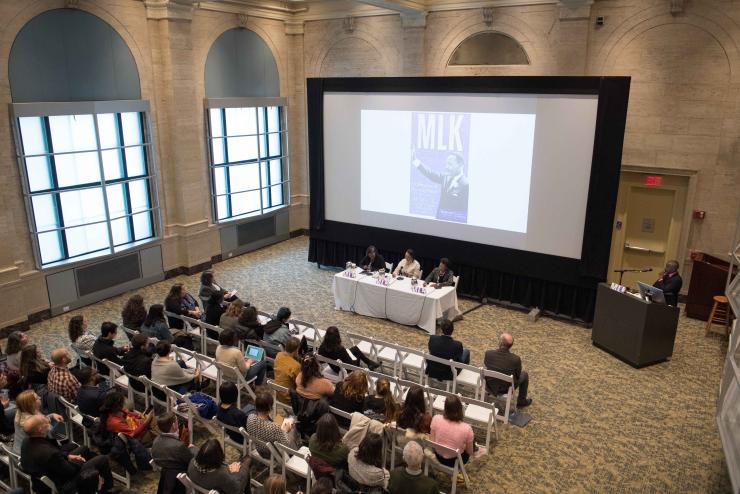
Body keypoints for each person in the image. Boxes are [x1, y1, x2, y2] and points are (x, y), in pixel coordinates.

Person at [20, 415, 113, 494]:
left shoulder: (27, 441)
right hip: (64, 484)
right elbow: (71, 471)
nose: (49, 423)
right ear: (40, 430)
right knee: (102, 459)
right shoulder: (49, 453)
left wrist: (68, 456)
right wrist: (79, 461)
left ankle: (96, 480)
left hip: (52, 472)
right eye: (47, 423)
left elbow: (56, 453)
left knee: (84, 449)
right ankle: (107, 490)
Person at [412, 149, 469, 223]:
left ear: (460, 165)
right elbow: (430, 174)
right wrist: (415, 161)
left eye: (450, 164)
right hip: (440, 223)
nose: (446, 167)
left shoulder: (466, 185)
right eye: (446, 164)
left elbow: (464, 211)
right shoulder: (445, 177)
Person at [245, 390, 299, 456]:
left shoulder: (250, 417)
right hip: (273, 453)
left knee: (279, 419)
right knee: (293, 427)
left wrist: (280, 420)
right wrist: (286, 430)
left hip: (260, 449)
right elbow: (286, 443)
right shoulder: (274, 428)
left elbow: (269, 420)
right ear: (270, 408)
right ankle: (295, 453)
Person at [484, 332, 531, 407]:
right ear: (510, 346)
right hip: (506, 389)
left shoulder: (488, 354)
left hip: (489, 385)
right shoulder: (515, 359)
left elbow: (487, 365)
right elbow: (518, 375)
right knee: (524, 374)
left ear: (500, 343)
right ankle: (521, 401)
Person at [430, 395, 477, 468]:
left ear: (445, 408)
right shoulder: (467, 428)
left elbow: (432, 442)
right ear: (460, 409)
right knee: (470, 442)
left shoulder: (436, 418)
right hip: (456, 461)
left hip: (438, 456)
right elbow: (469, 452)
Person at [13, 390, 65, 455]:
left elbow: (40, 420)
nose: (40, 397)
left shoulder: (21, 411)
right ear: (31, 404)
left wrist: (51, 416)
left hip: (19, 450)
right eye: (37, 398)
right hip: (32, 455)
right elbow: (50, 434)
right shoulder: (30, 421)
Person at [426, 318, 469, 386]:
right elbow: (459, 360)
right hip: (448, 374)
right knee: (466, 352)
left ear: (441, 329)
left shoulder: (433, 339)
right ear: (452, 330)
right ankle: (461, 382)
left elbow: (431, 351)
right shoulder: (457, 345)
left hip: (432, 369)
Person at [273, 336, 301, 403]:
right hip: (289, 398)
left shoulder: (279, 355)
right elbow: (300, 383)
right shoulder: (296, 366)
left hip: (278, 394)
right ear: (296, 350)